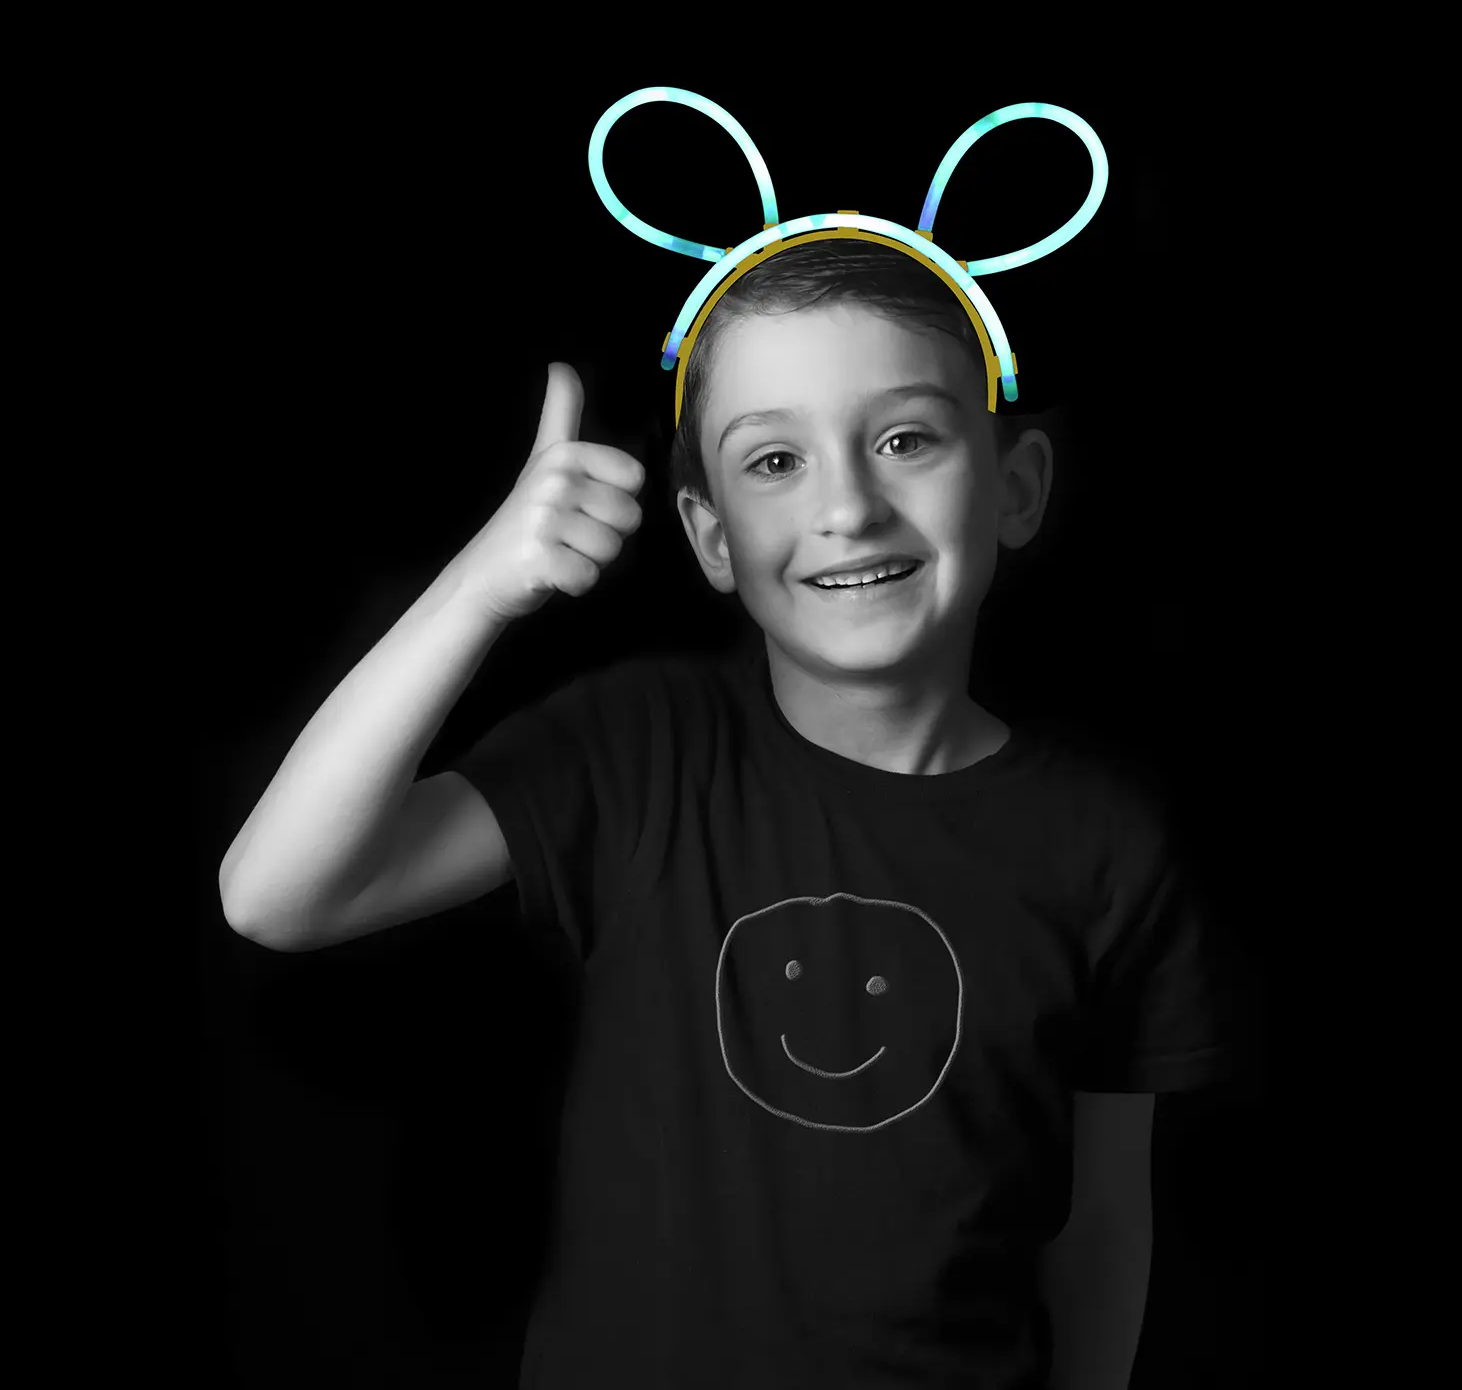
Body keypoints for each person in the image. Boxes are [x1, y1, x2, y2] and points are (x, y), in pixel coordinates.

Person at [219, 240, 1238, 1389]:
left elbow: (1099, 1221)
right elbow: (274, 896)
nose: (847, 507)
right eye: (774, 460)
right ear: (710, 536)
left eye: (905, 439)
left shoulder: (1108, 845)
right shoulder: (640, 749)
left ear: (1015, 486)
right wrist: (479, 587)